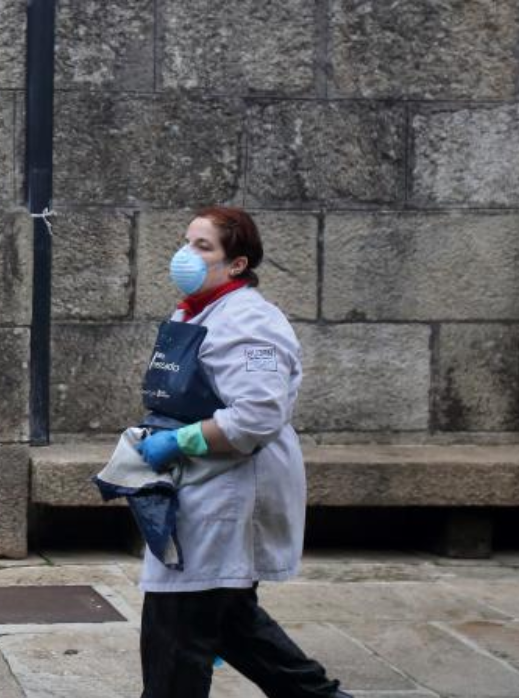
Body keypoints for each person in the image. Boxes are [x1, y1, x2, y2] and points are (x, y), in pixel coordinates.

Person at [131, 207, 349, 697]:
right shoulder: (195, 311)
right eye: (186, 242)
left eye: (203, 247)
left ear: (237, 264)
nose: (185, 255)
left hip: (228, 497)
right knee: (230, 623)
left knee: (177, 636)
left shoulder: (251, 323)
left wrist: (179, 440)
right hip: (198, 491)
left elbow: (256, 416)